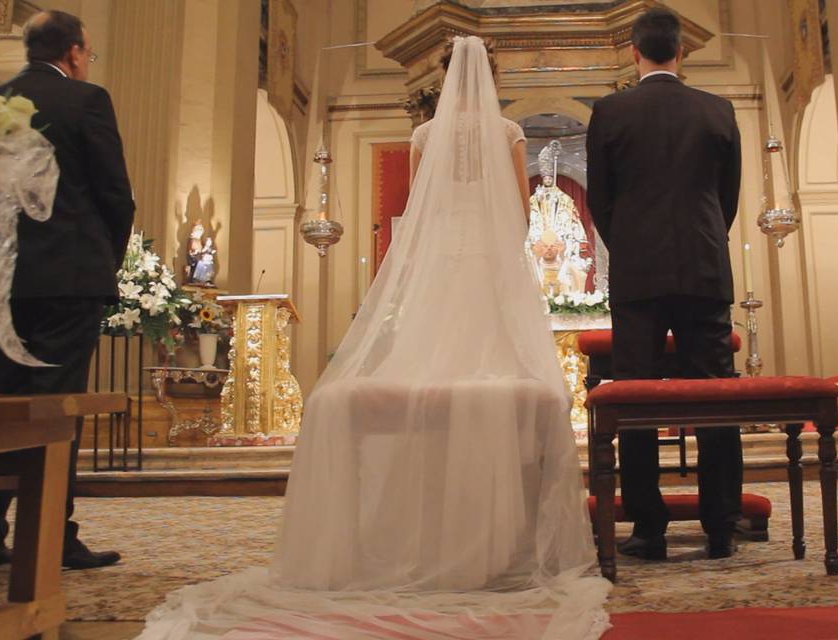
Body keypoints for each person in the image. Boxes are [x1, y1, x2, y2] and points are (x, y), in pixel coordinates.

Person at [137, 36, 609, 640]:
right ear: (494, 78)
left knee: (430, 373)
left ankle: (414, 524)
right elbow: (518, 209)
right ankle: (490, 527)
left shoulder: (423, 135)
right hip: (489, 257)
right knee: (490, 373)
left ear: (443, 76)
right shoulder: (509, 132)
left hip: (439, 256)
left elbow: (419, 206)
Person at [586, 7, 743, 560]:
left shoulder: (609, 111)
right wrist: (701, 240)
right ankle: (721, 524)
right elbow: (727, 198)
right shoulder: (717, 109)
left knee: (635, 399)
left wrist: (630, 244)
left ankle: (648, 528)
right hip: (704, 268)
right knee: (715, 396)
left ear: (634, 52)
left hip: (637, 275)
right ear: (682, 52)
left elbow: (598, 200)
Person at [0, 10, 135, 570]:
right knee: (55, 410)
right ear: (74, 52)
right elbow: (115, 194)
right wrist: (104, 261)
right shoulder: (86, 100)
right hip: (68, 282)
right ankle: (52, 536)